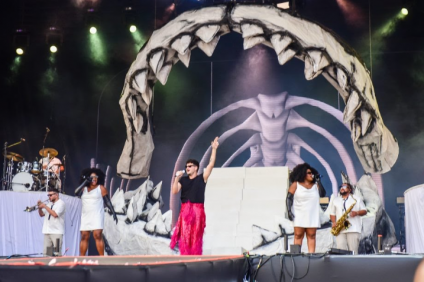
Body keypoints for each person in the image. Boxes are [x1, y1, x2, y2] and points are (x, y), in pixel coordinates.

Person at [170, 137, 219, 255]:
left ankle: (196, 256)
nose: (187, 168)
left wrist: (214, 149)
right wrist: (177, 178)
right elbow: (175, 191)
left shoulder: (202, 178)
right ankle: (185, 256)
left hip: (198, 210)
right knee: (185, 235)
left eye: (190, 166)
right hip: (185, 209)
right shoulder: (183, 180)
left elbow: (211, 164)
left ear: (196, 167)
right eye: (187, 166)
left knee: (196, 235)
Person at [75, 168, 118, 256]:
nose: (94, 178)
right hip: (86, 216)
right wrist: (85, 182)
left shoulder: (101, 188)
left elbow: (107, 201)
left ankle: (101, 258)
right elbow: (76, 193)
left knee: (98, 235)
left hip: (97, 215)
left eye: (96, 177)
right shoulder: (84, 189)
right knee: (84, 236)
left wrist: (113, 212)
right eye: (92, 177)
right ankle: (81, 258)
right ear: (88, 178)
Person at [286, 163, 325, 253]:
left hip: (312, 214)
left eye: (312, 173)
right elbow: (289, 198)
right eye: (309, 173)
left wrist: (319, 181)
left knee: (311, 236)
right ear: (302, 174)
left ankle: (311, 256)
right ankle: (296, 256)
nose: (311, 174)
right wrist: (289, 211)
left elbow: (322, 194)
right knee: (298, 235)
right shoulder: (296, 184)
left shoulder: (316, 185)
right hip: (299, 214)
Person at [330, 183, 367, 254]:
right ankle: (342, 265)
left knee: (353, 251)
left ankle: (353, 265)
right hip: (340, 228)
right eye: (341, 186)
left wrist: (356, 213)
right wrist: (334, 222)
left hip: (353, 228)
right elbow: (332, 214)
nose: (342, 188)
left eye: (344, 186)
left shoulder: (356, 199)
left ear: (350, 189)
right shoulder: (336, 200)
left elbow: (364, 211)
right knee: (340, 250)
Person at [37, 188, 66, 256]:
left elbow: (55, 214)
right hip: (47, 232)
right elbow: (41, 214)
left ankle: (58, 266)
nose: (49, 197)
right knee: (47, 254)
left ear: (56, 195)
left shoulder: (61, 203)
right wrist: (40, 208)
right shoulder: (49, 204)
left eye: (50, 195)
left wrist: (44, 206)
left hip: (57, 233)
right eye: (48, 195)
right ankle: (48, 266)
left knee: (57, 253)